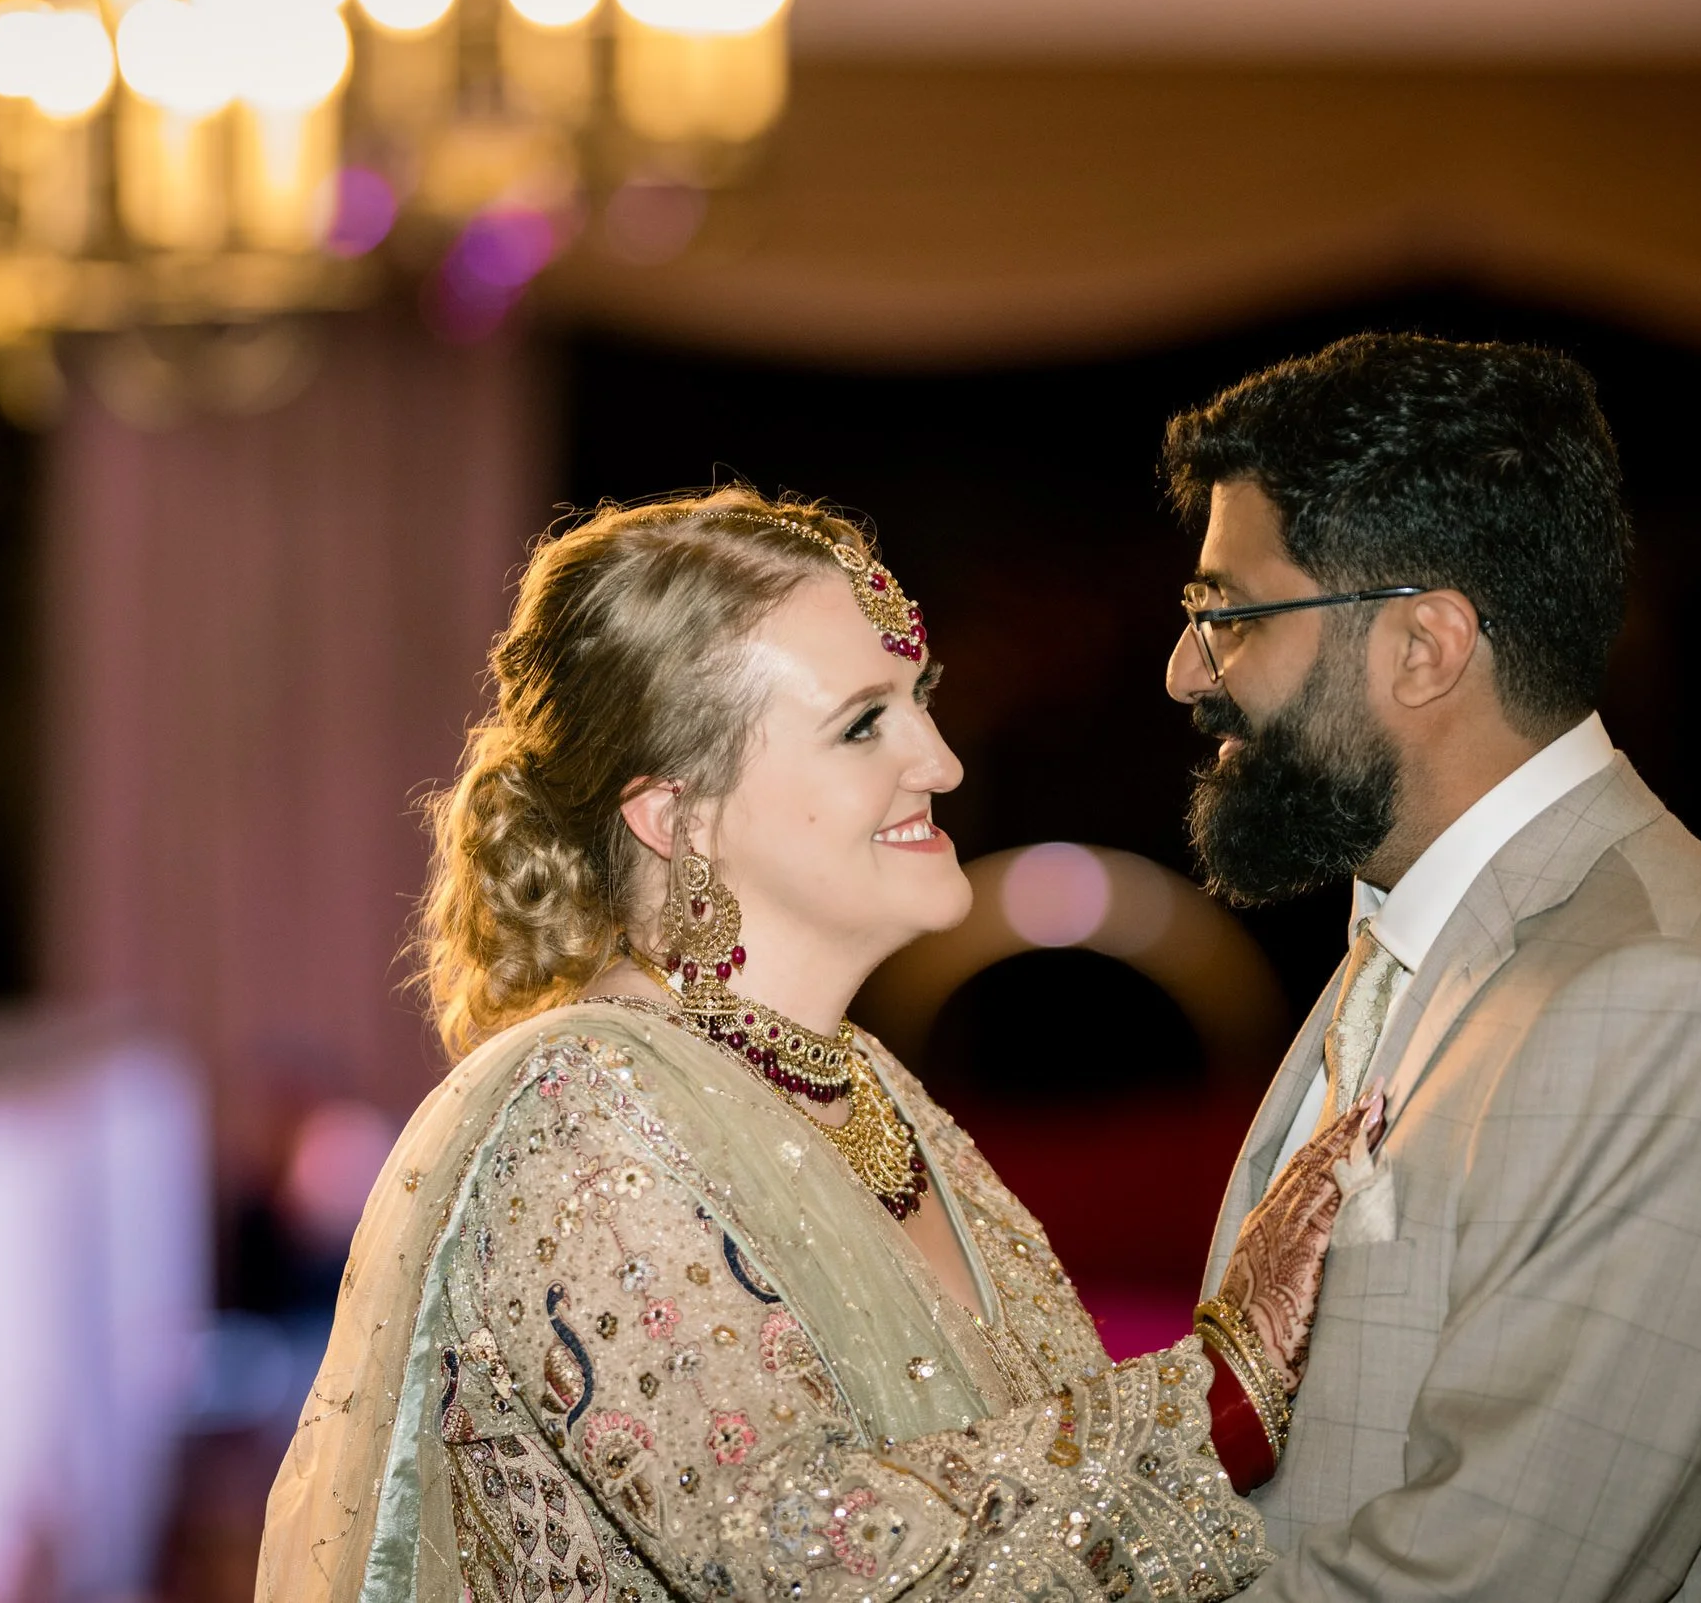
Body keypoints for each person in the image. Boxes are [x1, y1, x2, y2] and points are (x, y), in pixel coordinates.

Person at [256, 491, 1380, 1602]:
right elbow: (805, 1547)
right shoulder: (579, 1113)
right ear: (675, 814)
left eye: (918, 701)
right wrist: (1222, 1395)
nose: (939, 761)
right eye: (862, 723)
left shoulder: (864, 1082)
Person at [1162, 333, 1701, 1600]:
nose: (1185, 674)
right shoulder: (1418, 931)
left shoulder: (1668, 1002)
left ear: (1425, 646)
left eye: (1225, 615)